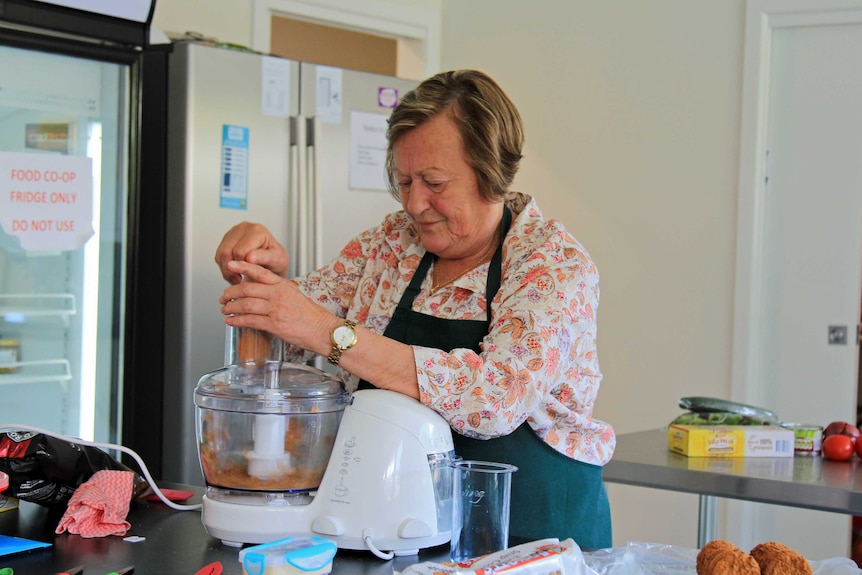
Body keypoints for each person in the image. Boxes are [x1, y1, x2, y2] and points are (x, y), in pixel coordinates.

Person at [215, 69, 616, 549]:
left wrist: (330, 332)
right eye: (404, 181)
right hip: (390, 532)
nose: (414, 203)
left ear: (491, 174)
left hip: (531, 541)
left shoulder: (550, 263)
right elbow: (277, 357)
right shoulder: (390, 245)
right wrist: (262, 277)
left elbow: (494, 401)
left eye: (434, 182)